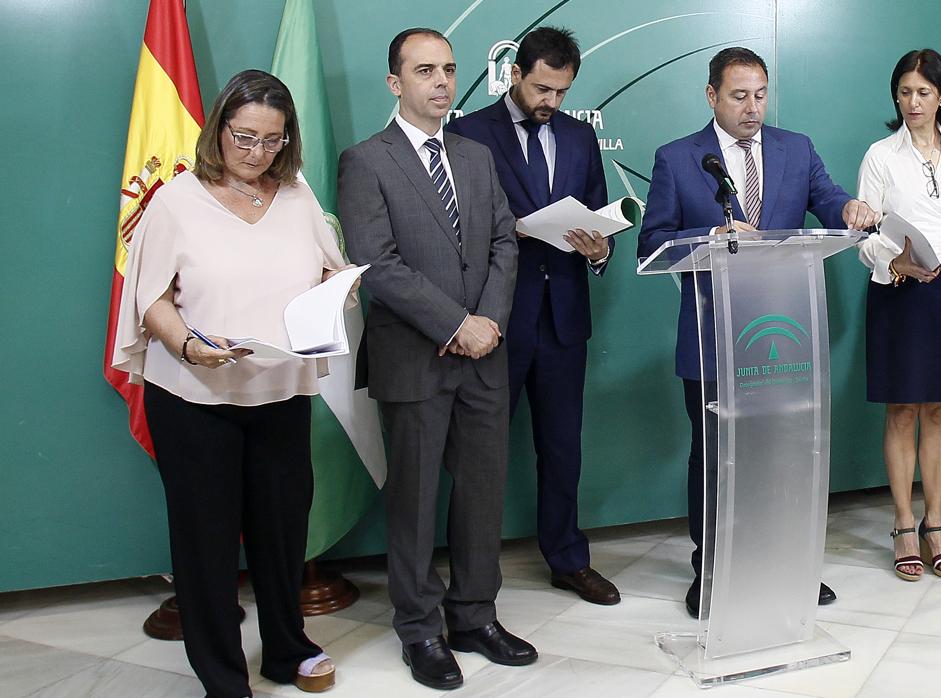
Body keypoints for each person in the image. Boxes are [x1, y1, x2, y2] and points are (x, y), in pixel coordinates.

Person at [112, 69, 351, 697]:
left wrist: (340, 292)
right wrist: (189, 343)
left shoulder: (297, 196)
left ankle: (286, 649)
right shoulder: (175, 199)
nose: (255, 153)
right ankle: (221, 672)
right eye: (243, 137)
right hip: (195, 397)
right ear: (218, 129)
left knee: (281, 529)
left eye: (272, 141)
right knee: (206, 539)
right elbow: (150, 299)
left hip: (280, 388)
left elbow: (331, 271)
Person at [638, 47, 876, 618]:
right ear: (711, 95)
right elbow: (652, 242)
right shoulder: (678, 158)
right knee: (714, 460)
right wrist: (714, 234)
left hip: (783, 337)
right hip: (712, 340)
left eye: (761, 95)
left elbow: (829, 199)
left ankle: (785, 564)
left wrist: (850, 210)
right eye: (739, 95)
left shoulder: (796, 148)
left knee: (782, 456)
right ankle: (712, 570)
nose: (752, 108)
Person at [336, 28, 532, 691]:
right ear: (396, 83)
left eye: (448, 70)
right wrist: (454, 324)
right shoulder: (366, 161)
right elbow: (376, 264)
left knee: (482, 494)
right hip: (414, 357)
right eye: (425, 71)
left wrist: (487, 324)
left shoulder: (475, 155)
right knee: (416, 502)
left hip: (485, 355)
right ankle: (419, 628)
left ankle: (475, 615)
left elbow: (506, 240)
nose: (442, 82)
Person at [446, 26, 620, 606]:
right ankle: (473, 576)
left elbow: (597, 214)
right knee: (481, 451)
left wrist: (601, 249)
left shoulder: (578, 138)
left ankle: (567, 559)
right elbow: (452, 227)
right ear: (514, 75)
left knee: (563, 446)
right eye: (542, 88)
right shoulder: (468, 133)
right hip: (495, 317)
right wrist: (507, 230)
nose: (551, 101)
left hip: (564, 316)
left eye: (562, 92)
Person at [856, 49, 941, 582]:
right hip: (899, 291)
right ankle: (904, 524)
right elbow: (864, 234)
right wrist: (895, 262)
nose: (913, 102)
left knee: (938, 409)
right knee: (903, 411)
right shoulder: (880, 155)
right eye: (905, 92)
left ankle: (937, 524)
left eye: (923, 92)